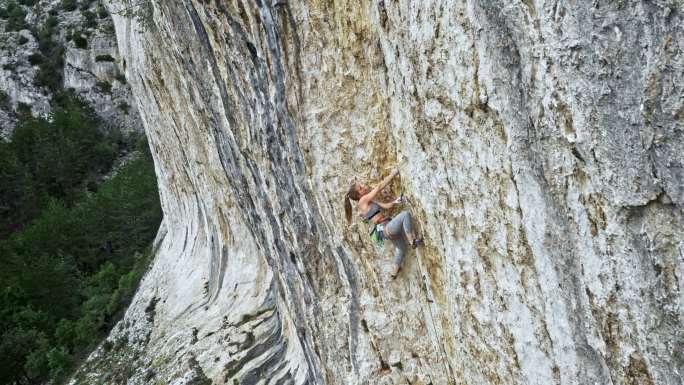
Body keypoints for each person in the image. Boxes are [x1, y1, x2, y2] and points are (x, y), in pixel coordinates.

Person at [344, 169, 423, 279]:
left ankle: (393, 273)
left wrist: (396, 201)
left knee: (401, 249)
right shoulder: (362, 201)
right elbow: (379, 187)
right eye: (360, 188)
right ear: (358, 195)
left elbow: (386, 206)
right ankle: (412, 241)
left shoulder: (370, 201)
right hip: (385, 228)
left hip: (385, 229)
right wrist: (393, 174)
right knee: (405, 215)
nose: (363, 187)